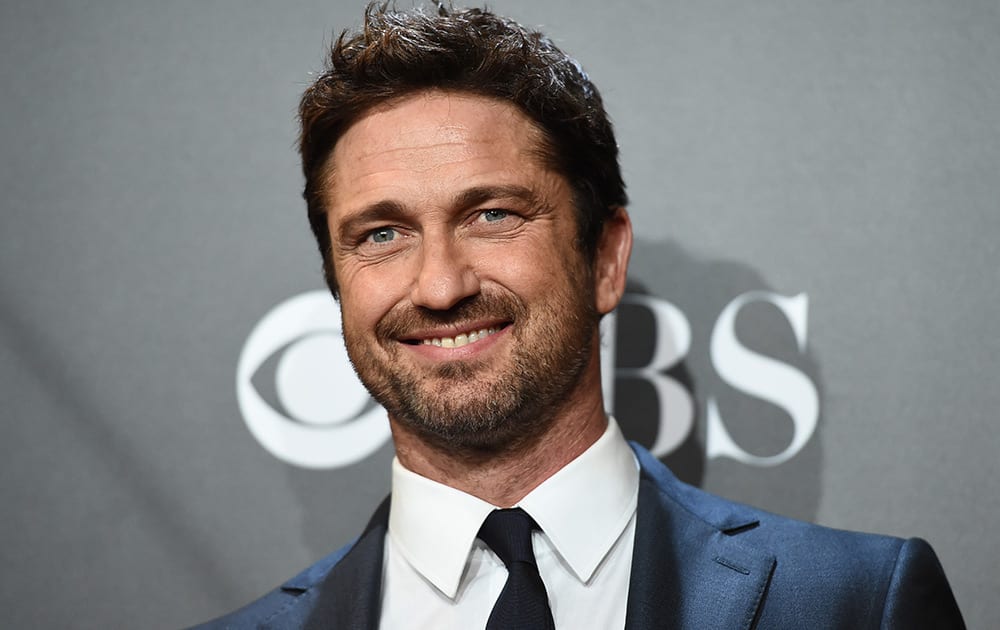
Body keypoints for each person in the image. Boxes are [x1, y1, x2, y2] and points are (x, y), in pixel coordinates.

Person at [196, 3, 964, 628]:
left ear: (605, 257)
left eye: (491, 215)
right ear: (336, 279)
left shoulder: (857, 605)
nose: (437, 286)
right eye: (382, 234)